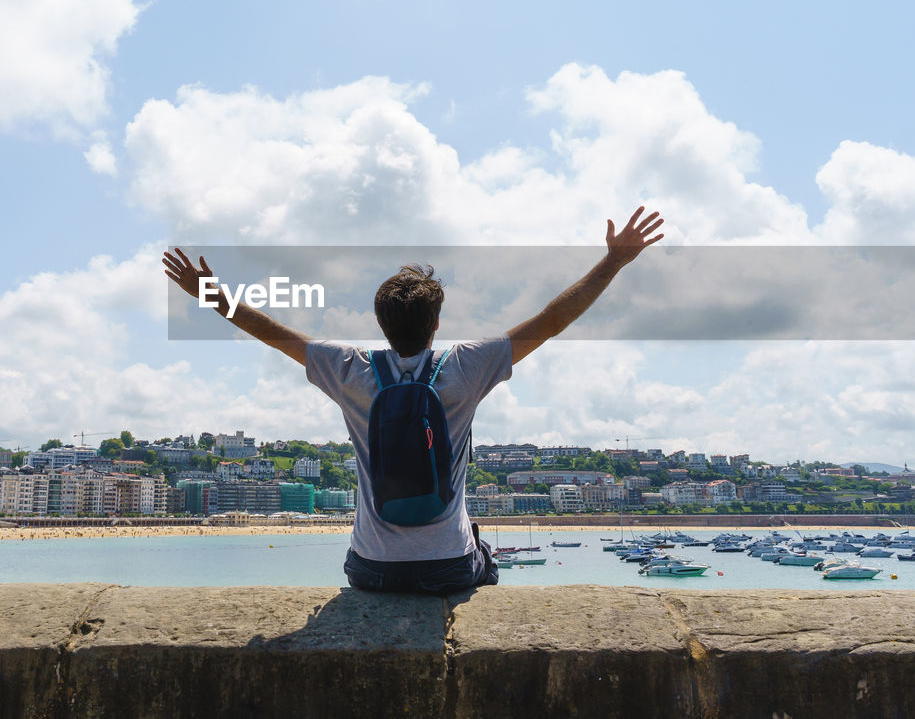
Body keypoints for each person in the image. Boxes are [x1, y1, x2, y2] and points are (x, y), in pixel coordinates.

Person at [163, 206, 663, 594]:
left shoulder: (350, 370)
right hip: (447, 567)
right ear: (437, 324)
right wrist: (615, 260)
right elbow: (552, 321)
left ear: (380, 324)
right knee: (479, 545)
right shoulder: (467, 367)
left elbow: (270, 332)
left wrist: (206, 291)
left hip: (372, 569)